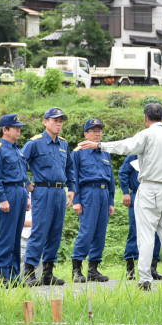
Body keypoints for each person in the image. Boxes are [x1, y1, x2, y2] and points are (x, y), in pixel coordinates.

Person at [78, 103, 162, 290]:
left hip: (149, 188)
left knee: (146, 235)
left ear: (146, 119)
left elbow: (125, 146)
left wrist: (100, 145)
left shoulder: (146, 135)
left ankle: (145, 279)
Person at [21, 107, 75, 287]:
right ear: (45, 122)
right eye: (55, 120)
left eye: (61, 121)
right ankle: (29, 273)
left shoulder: (64, 144)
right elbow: (20, 163)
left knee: (55, 233)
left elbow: (70, 168)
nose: (58, 124)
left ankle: (48, 273)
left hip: (59, 192)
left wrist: (72, 188)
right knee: (39, 231)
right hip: (42, 191)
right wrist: (27, 184)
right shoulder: (35, 143)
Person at [0, 114, 31, 287]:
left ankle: (14, 275)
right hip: (8, 192)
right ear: (5, 130)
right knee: (6, 236)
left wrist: (27, 196)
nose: (19, 131)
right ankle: (2, 272)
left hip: (20, 192)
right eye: (16, 128)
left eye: (20, 128)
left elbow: (23, 175)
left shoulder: (16, 149)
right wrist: (2, 199)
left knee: (16, 237)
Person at [71, 118, 115, 283]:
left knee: (100, 232)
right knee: (87, 230)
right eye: (93, 131)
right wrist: (76, 200)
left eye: (99, 131)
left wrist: (111, 201)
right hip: (88, 193)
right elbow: (73, 177)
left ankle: (93, 269)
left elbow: (111, 179)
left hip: (104, 194)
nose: (97, 134)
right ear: (85, 134)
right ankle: (77, 269)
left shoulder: (105, 152)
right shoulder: (78, 152)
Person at [119, 154, 162, 281]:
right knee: (136, 231)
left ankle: (152, 268)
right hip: (138, 194)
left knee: (156, 232)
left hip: (156, 195)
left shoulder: (158, 153)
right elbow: (123, 173)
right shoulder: (134, 155)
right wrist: (125, 192)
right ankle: (131, 268)